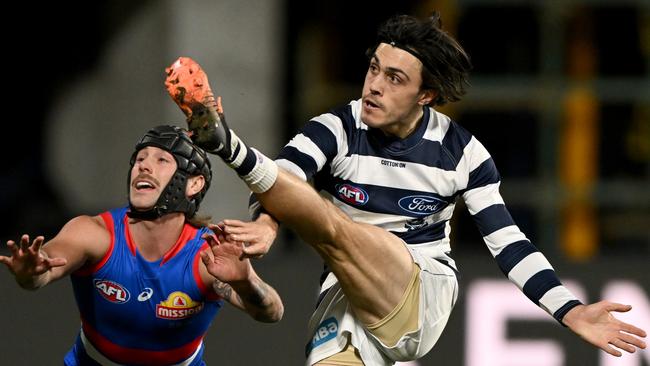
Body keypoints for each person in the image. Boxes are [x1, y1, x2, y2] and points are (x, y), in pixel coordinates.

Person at [164, 12, 647, 366]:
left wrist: (571, 310)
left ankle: (226, 144)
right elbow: (290, 173)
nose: (374, 86)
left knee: (333, 227)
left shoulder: (461, 152)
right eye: (374, 68)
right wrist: (267, 224)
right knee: (329, 232)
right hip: (346, 298)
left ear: (426, 95)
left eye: (394, 78)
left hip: (420, 291)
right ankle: (227, 144)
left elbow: (510, 243)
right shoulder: (335, 126)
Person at [0, 125, 284, 365]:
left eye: (162, 160)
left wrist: (246, 280)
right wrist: (32, 272)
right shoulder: (96, 233)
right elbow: (43, 271)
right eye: (140, 159)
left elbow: (272, 313)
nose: (143, 166)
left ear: (193, 184)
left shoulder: (208, 253)